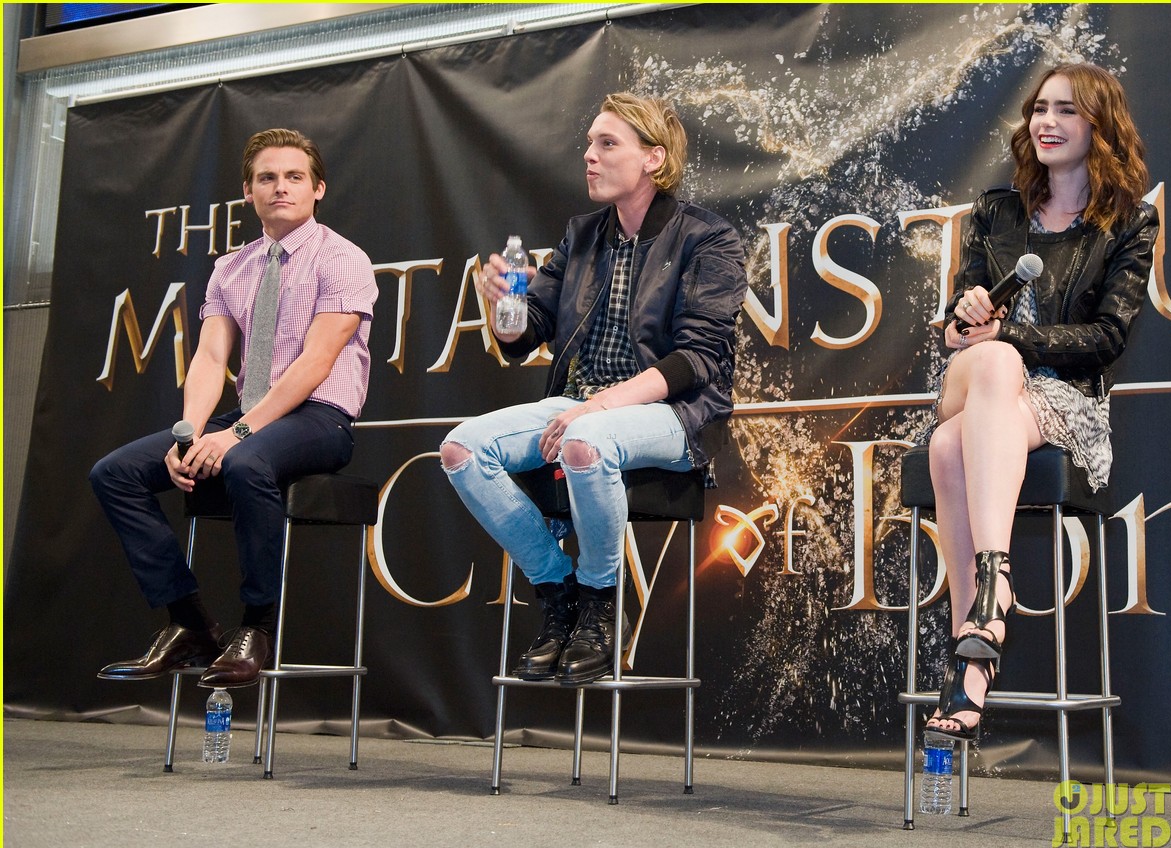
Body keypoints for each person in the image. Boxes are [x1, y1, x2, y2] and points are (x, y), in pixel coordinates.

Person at [441, 93, 748, 685]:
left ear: (653, 158)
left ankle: (601, 606)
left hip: (673, 412)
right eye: (589, 143)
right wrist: (503, 302)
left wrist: (597, 406)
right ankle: (559, 593)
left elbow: (697, 361)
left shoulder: (708, 238)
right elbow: (521, 337)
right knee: (461, 449)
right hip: (581, 404)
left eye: (607, 144)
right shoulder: (582, 237)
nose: (589, 156)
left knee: (585, 441)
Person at [91, 128, 378, 689]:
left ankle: (257, 628)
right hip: (248, 417)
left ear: (318, 188)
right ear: (248, 192)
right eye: (267, 178)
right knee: (115, 474)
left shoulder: (344, 259)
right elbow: (209, 355)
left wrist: (238, 433)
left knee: (246, 463)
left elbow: (316, 362)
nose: (281, 187)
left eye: (295, 177)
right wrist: (191, 434)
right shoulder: (232, 267)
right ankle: (190, 623)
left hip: (319, 419)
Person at [924, 64, 1157, 740]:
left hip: (1063, 401)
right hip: (976, 377)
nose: (1047, 122)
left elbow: (1109, 336)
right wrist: (967, 314)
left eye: (1067, 111)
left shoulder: (1129, 225)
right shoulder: (996, 212)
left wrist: (1012, 336)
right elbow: (952, 332)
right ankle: (998, 586)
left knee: (947, 446)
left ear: (1100, 126)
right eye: (1040, 109)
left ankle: (969, 673)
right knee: (989, 360)